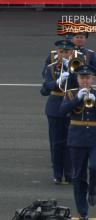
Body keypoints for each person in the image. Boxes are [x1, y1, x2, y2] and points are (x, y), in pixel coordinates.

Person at [60, 65, 96, 220]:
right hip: (77, 138)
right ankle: (82, 211)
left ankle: (93, 190)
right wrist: (78, 99)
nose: (85, 80)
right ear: (78, 79)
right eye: (82, 78)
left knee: (95, 167)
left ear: (93, 79)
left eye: (88, 77)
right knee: (78, 176)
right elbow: (62, 111)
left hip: (94, 137)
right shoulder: (70, 94)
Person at [41, 40, 75, 184]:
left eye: (66, 52)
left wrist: (72, 73)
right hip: (55, 107)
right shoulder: (51, 68)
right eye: (61, 52)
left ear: (72, 53)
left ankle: (69, 173)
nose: (64, 54)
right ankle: (57, 174)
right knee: (56, 142)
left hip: (72, 107)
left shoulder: (78, 68)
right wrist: (57, 82)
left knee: (70, 143)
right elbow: (44, 89)